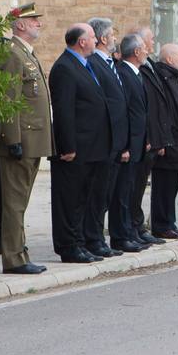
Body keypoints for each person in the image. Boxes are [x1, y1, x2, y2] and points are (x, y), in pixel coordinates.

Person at [49, 23, 112, 264]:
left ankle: (80, 242)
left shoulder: (83, 65)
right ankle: (69, 245)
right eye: (93, 37)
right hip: (75, 149)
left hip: (92, 147)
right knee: (70, 200)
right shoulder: (65, 67)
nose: (97, 41)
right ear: (82, 41)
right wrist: (67, 146)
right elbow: (64, 110)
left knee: (83, 199)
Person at [0, 4, 49, 274]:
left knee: (21, 203)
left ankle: (21, 253)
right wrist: (12, 139)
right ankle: (13, 258)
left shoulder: (25, 54)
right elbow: (8, 100)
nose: (38, 23)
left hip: (33, 140)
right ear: (20, 25)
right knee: (14, 204)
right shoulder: (12, 54)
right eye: (33, 20)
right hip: (21, 141)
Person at [143, 43, 178, 238]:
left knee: (172, 187)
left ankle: (170, 222)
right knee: (163, 188)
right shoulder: (163, 78)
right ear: (168, 59)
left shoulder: (177, 78)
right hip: (169, 143)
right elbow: (162, 112)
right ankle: (162, 225)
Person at [111, 33, 158, 249]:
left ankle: (130, 231)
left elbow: (142, 113)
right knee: (122, 193)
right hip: (129, 145)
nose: (148, 51)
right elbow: (126, 113)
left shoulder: (136, 73)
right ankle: (122, 235)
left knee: (132, 190)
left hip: (139, 144)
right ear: (137, 52)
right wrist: (127, 145)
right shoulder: (123, 73)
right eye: (144, 48)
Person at [87, 18, 130, 255]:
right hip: (104, 141)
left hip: (116, 141)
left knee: (107, 194)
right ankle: (94, 240)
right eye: (112, 34)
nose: (115, 38)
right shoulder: (94, 62)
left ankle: (98, 240)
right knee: (98, 196)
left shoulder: (110, 62)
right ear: (103, 38)